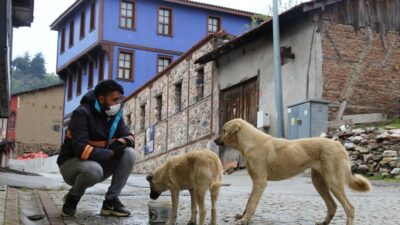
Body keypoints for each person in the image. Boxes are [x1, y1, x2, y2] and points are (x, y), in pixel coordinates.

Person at [57, 80, 136, 217]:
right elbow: (81, 150)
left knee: (129, 153)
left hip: (98, 162)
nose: (118, 104)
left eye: (120, 99)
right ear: (101, 99)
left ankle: (110, 202)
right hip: (72, 165)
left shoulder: (114, 115)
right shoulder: (82, 114)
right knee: (93, 170)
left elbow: (130, 137)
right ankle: (72, 198)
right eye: (115, 100)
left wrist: (121, 141)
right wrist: (110, 152)